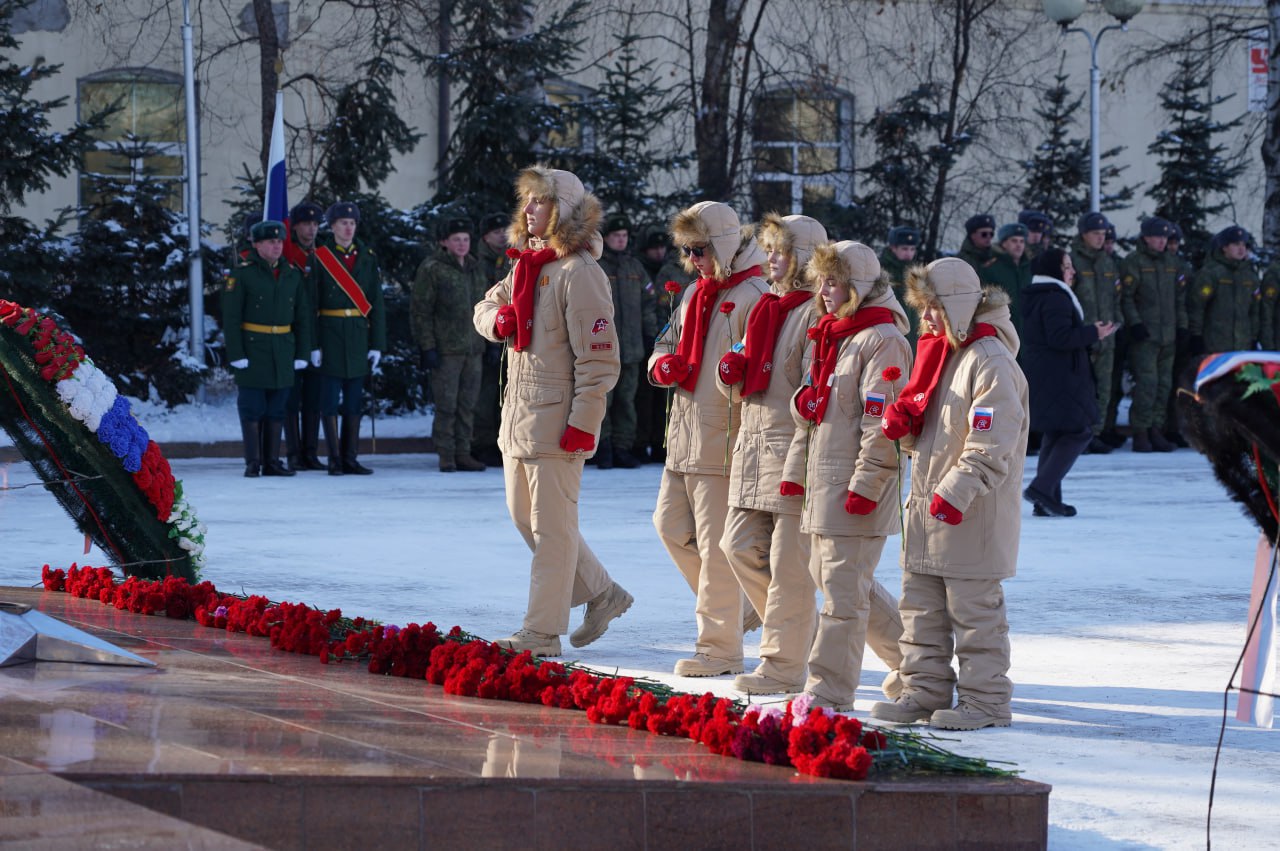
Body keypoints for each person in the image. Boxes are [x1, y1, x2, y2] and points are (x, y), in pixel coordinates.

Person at [472, 165, 631, 657]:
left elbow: (600, 360)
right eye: (527, 201)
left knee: (552, 531)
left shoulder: (579, 273)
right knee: (526, 518)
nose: (528, 210)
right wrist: (499, 319)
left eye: (539, 201)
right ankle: (603, 593)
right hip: (520, 416)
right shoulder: (527, 264)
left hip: (558, 422)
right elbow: (485, 307)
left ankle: (541, 632)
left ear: (561, 211)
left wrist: (584, 424)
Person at [871, 258, 1028, 731]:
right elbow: (932, 434)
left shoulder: (990, 361)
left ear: (959, 305)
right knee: (921, 611)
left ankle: (986, 701)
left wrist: (954, 493)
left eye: (936, 307)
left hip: (969, 514)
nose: (929, 318)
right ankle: (924, 690)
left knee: (975, 615)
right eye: (924, 308)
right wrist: (903, 430)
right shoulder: (942, 354)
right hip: (926, 509)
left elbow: (990, 442)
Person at [780, 240, 910, 711]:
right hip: (826, 483)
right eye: (821, 281)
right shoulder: (836, 336)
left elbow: (883, 427)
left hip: (852, 488)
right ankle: (917, 665)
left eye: (833, 282)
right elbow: (820, 414)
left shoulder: (883, 339)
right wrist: (802, 406)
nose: (824, 291)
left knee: (842, 596)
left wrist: (867, 485)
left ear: (856, 286)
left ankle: (828, 691)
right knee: (842, 584)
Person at [649, 200, 770, 677]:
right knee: (669, 527)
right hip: (683, 435)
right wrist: (662, 365)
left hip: (722, 440)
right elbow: (666, 340)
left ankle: (718, 647)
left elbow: (758, 371)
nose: (693, 260)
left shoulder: (754, 294)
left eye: (700, 249)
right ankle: (737, 609)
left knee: (720, 548)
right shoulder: (696, 293)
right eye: (688, 250)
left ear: (721, 244)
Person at [714, 213, 825, 695]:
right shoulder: (766, 308)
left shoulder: (814, 312)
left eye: (781, 251)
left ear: (804, 259)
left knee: (790, 567)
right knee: (735, 547)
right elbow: (738, 383)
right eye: (769, 249)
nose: (771, 259)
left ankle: (783, 663)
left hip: (791, 450)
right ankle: (811, 637)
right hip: (754, 446)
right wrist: (729, 369)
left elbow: (811, 388)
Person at [1020, 247, 1117, 517]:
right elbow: (1060, 338)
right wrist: (1093, 333)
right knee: (1078, 432)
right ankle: (1041, 489)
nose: (1072, 271)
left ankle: (1047, 501)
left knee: (1057, 432)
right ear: (1054, 270)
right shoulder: (1055, 298)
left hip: (1048, 372)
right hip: (1060, 374)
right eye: (1067, 266)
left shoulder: (1041, 295)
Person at [221, 220, 312, 477]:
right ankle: (253, 461)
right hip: (253, 350)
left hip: (283, 349)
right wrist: (236, 354)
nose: (276, 246)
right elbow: (231, 318)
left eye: (279, 241)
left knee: (277, 408)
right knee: (252, 408)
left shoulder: (292, 274)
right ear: (257, 244)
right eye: (270, 241)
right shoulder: (242, 273)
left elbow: (302, 318)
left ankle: (272, 461)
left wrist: (303, 353)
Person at [312, 201, 386, 475]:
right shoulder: (320, 256)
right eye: (343, 223)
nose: (348, 227)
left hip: (357, 335)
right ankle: (334, 459)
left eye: (352, 223)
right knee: (330, 401)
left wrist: (377, 344)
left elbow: (376, 301)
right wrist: (313, 345)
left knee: (354, 401)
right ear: (332, 227)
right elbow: (310, 305)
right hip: (329, 334)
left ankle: (350, 458)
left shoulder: (366, 256)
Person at [412, 217, 489, 473]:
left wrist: (489, 341)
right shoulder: (433, 268)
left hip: (473, 348)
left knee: (468, 404)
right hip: (446, 349)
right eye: (456, 239)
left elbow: (487, 305)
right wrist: (427, 347)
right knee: (447, 404)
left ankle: (463, 452)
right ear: (444, 242)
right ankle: (446, 454)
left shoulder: (475, 268)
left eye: (466, 239)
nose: (462, 244)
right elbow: (421, 311)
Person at [596, 213, 659, 469]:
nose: (621, 240)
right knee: (603, 401)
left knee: (626, 401)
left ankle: (623, 446)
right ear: (606, 238)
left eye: (624, 236)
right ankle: (604, 447)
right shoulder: (597, 267)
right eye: (616, 236)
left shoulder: (635, 268)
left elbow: (649, 303)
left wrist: (650, 334)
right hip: (604, 349)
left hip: (632, 350)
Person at [1120, 217, 1183, 453]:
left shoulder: (1172, 263)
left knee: (1164, 385)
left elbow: (1179, 299)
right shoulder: (1134, 262)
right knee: (1147, 384)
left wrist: (1183, 327)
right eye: (1157, 237)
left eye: (1165, 238)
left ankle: (1156, 428)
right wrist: (1135, 323)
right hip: (1145, 336)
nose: (1162, 242)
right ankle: (1141, 431)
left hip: (1168, 335)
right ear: (1146, 238)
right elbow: (1126, 297)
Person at [637, 229, 694, 464]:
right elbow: (660, 306)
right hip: (671, 340)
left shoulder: (703, 273)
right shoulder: (669, 272)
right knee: (662, 400)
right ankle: (659, 443)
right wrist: (661, 338)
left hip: (692, 344)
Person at [1069, 212, 1121, 455]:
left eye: (1103, 234)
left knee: (1104, 388)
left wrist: (1117, 322)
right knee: (1082, 389)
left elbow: (1116, 296)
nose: (1101, 239)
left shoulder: (1108, 262)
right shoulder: (1073, 261)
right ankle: (1080, 434)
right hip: (1084, 336)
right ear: (1083, 235)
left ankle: (1095, 433)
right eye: (1095, 234)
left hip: (1107, 336)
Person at [283, 200, 326, 471]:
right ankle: (293, 453)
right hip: (292, 336)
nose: (310, 230)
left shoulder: (323, 256)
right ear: (294, 227)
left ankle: (310, 452)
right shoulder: (287, 257)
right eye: (305, 225)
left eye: (314, 224)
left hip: (319, 336)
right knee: (291, 399)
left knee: (314, 398)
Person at [1188, 225, 1260, 355]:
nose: (1241, 249)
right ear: (1224, 247)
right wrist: (1195, 335)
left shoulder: (1250, 276)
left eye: (1244, 244)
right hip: (1215, 345)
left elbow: (1255, 311)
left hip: (1243, 346)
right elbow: (1197, 306)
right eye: (1236, 244)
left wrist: (1254, 337)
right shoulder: (1211, 273)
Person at [982, 223, 1031, 334]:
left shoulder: (1030, 268)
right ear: (1004, 243)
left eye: (1022, 241)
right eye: (1014, 241)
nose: (1019, 245)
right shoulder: (991, 268)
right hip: (1003, 329)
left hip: (1028, 332)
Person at [879, 226, 921, 347]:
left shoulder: (916, 273)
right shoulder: (881, 270)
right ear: (893, 248)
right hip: (890, 333)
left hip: (914, 334)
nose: (909, 253)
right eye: (904, 249)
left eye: (912, 249)